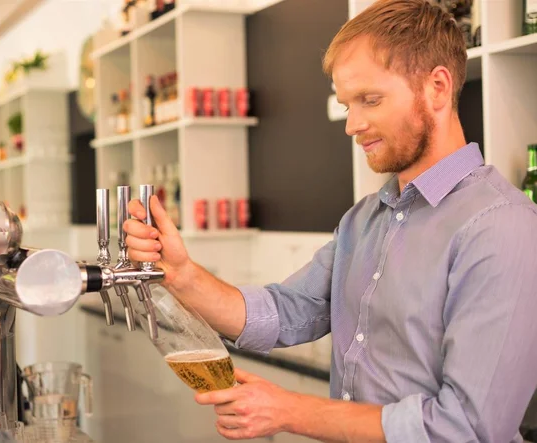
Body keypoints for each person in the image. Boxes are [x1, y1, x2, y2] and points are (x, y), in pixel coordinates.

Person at [124, 0, 537, 441]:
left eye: (370, 100)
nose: (352, 124)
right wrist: (183, 275)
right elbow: (284, 313)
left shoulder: (503, 226)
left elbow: (468, 428)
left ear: (437, 87)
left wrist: (288, 410)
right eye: (347, 105)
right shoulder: (364, 220)